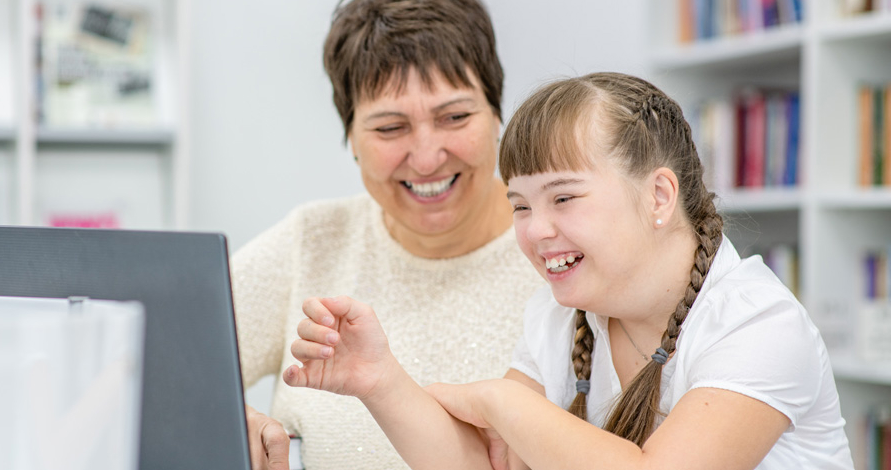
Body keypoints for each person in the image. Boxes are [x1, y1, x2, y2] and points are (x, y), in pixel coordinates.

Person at [284, 72, 855, 469]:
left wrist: (503, 403)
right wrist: (379, 382)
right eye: (521, 205)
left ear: (659, 196)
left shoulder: (759, 325)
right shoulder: (563, 315)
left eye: (563, 199)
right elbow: (485, 464)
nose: (534, 232)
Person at [230, 0, 543, 468]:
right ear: (351, 139)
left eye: (454, 117)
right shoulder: (310, 241)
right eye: (391, 127)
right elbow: (151, 359)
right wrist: (230, 420)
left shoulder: (562, 254)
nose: (426, 158)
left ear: (498, 114)